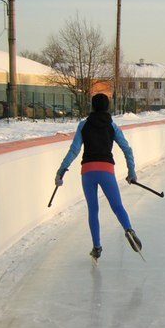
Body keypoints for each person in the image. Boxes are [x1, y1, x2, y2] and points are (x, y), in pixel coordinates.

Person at [55, 93, 141, 262]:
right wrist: (131, 172)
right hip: (106, 170)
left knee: (93, 210)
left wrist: (61, 170)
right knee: (117, 206)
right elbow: (127, 149)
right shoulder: (112, 126)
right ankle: (129, 229)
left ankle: (97, 247)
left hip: (88, 172)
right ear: (108, 107)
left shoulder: (83, 125)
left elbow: (74, 150)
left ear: (92, 107)